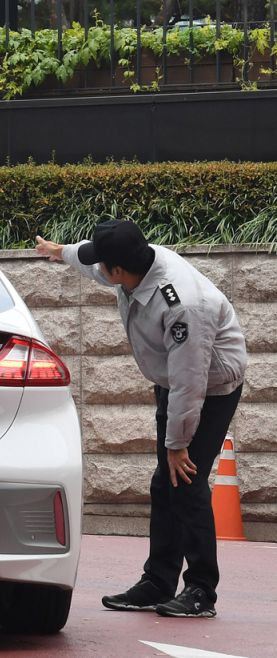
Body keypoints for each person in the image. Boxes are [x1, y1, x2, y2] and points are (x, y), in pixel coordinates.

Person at [35, 219, 246, 618]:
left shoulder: (182, 305)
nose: (98, 270)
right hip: (174, 380)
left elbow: (190, 382)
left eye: (103, 265)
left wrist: (177, 444)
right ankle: (158, 582)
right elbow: (89, 263)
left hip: (211, 385)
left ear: (118, 270)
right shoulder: (135, 264)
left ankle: (201, 591)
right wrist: (59, 251)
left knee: (186, 482)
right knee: (165, 481)